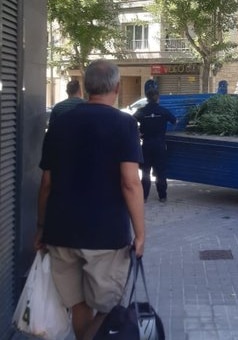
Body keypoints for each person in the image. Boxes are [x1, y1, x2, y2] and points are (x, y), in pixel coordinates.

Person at [34, 59, 145, 340]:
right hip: (105, 237)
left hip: (60, 232)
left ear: (85, 87)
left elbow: (46, 182)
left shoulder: (60, 123)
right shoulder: (124, 124)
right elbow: (130, 183)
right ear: (117, 88)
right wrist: (141, 233)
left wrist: (40, 228)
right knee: (109, 308)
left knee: (78, 305)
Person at [134, 79, 177, 203]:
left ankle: (144, 197)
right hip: (159, 145)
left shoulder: (141, 111)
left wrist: (138, 132)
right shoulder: (163, 111)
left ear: (146, 98)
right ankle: (162, 196)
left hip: (146, 146)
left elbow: (130, 122)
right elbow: (175, 121)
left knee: (146, 172)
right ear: (158, 97)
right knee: (161, 172)